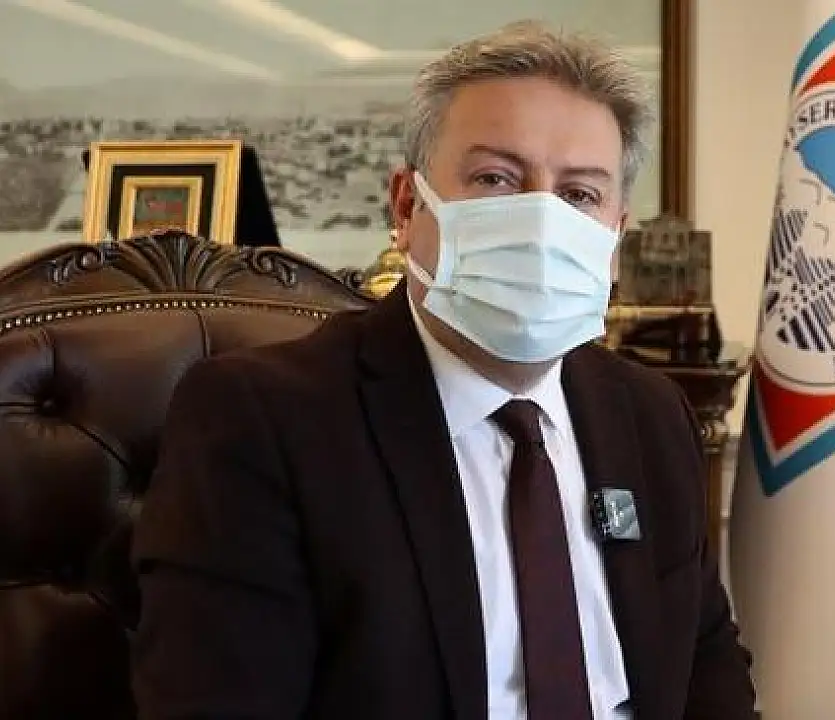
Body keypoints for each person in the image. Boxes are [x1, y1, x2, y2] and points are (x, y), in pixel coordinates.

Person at [131, 20, 757, 720]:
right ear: (407, 207)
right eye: (496, 178)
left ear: (615, 235)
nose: (540, 222)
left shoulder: (649, 415)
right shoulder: (263, 421)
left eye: (579, 195)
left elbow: (708, 676)